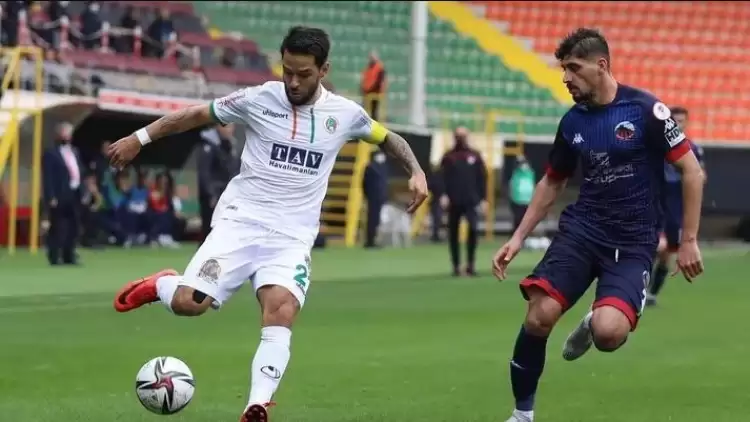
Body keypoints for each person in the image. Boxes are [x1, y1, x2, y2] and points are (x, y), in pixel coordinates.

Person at [107, 26, 428, 422]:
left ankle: (256, 405)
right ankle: (161, 284)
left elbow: (390, 139)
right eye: (287, 70)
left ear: (323, 70)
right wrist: (140, 138)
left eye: (303, 74)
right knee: (190, 304)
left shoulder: (345, 115)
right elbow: (194, 115)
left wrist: (416, 171)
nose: (292, 81)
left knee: (281, 309)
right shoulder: (259, 98)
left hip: (291, 237)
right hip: (241, 222)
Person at [491, 28, 705, 422]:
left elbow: (692, 171)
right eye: (563, 69)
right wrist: (518, 237)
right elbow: (552, 181)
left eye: (573, 68)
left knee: (608, 335)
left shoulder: (646, 112)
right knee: (539, 315)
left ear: (601, 65)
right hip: (583, 232)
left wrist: (688, 239)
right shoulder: (572, 122)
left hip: (633, 241)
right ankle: (522, 415)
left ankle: (598, 316)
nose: (566, 78)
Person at [646, 106, 705, 306]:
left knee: (667, 252)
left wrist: (694, 177)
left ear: (686, 123)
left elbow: (700, 176)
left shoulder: (692, 148)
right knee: (658, 246)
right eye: (675, 120)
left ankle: (652, 293)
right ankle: (637, 288)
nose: (678, 124)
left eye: (682, 121)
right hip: (655, 204)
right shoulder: (657, 145)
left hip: (676, 208)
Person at [439, 127, 487, 276]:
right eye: (458, 136)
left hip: (471, 200)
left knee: (473, 230)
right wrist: (443, 195)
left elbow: (482, 178)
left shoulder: (475, 156)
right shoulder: (448, 157)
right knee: (453, 233)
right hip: (453, 200)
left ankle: (471, 265)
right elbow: (441, 178)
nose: (461, 138)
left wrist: (484, 199)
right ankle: (456, 266)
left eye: (463, 136)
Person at [42, 122, 84, 265]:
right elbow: (48, 177)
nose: (68, 136)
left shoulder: (74, 152)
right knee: (58, 227)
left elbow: (79, 171)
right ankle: (54, 256)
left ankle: (69, 255)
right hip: (59, 195)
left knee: (74, 227)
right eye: (65, 133)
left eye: (69, 133)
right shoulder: (51, 153)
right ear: (59, 134)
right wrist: (51, 195)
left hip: (74, 193)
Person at [362, 147, 389, 248]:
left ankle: (373, 239)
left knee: (376, 220)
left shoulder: (382, 167)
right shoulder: (370, 167)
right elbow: (364, 184)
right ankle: (369, 240)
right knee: (372, 219)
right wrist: (367, 195)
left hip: (379, 197)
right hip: (373, 197)